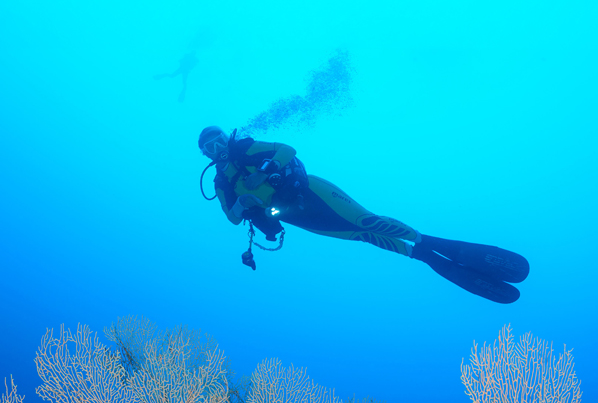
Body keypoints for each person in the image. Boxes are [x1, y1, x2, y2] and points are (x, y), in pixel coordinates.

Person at [197, 126, 528, 303]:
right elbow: (232, 217)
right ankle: (424, 256)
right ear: (206, 155)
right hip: (294, 215)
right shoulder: (221, 182)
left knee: (367, 221)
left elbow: (288, 150)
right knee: (362, 235)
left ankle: (428, 241)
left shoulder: (247, 148)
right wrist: (244, 201)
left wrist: (264, 170)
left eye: (219, 140)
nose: (218, 148)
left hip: (311, 190)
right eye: (210, 147)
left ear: (227, 137)